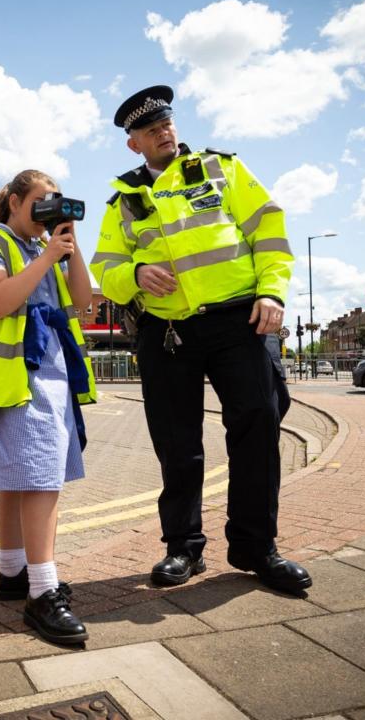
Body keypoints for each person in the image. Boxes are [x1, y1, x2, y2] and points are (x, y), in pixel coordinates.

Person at [89, 86, 309, 596]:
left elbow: (269, 231)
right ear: (134, 145)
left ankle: (256, 548)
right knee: (177, 444)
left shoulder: (223, 169)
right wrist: (137, 273)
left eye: (166, 123)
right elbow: (107, 266)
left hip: (240, 321)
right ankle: (183, 547)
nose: (163, 131)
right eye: (150, 130)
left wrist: (273, 291)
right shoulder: (124, 198)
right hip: (167, 333)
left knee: (256, 430)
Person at [0, 169, 96, 645]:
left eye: (53, 202)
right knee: (39, 480)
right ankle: (42, 592)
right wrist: (47, 259)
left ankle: (13, 574)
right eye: (40, 202)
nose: (47, 210)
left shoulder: (46, 249)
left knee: (24, 480)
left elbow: (83, 304)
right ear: (16, 202)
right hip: (16, 377)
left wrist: (68, 248)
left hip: (50, 374)